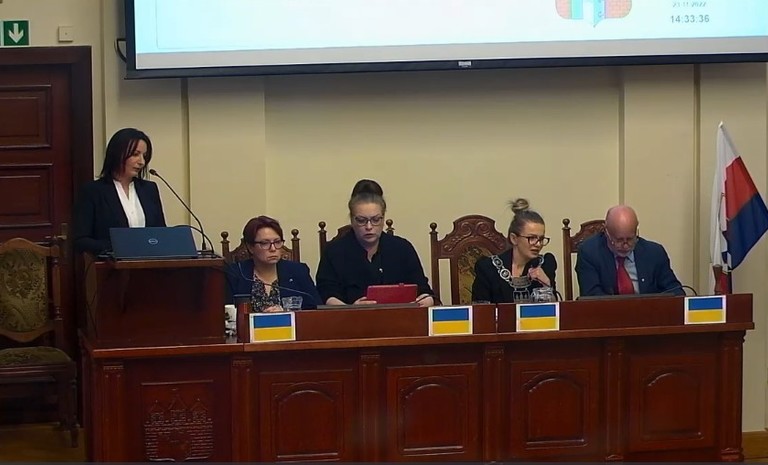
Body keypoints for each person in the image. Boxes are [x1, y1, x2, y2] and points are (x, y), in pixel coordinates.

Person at [316, 179, 435, 306]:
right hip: (350, 317)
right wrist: (351, 309)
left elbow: (423, 291)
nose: (369, 226)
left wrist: (426, 301)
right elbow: (326, 295)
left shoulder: (402, 249)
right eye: (361, 220)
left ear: (383, 219)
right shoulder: (334, 252)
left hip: (399, 316)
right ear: (351, 219)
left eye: (376, 220)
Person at [72, 128, 166, 255]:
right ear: (117, 154)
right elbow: (80, 240)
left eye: (144, 156)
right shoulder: (93, 191)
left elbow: (161, 233)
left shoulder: (149, 189)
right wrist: (119, 246)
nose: (141, 162)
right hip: (111, 264)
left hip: (148, 263)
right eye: (135, 154)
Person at [576, 205, 684, 296]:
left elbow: (675, 291)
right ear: (606, 232)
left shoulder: (655, 253)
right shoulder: (589, 253)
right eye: (619, 240)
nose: (625, 245)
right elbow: (592, 297)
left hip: (648, 312)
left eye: (630, 239)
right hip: (607, 313)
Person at [226, 216, 321, 311]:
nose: (273, 248)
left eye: (277, 242)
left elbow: (316, 308)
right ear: (250, 247)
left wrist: (286, 313)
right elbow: (226, 312)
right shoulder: (235, 274)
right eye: (265, 243)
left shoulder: (298, 271)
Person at [471, 199, 557, 303]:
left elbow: (555, 309)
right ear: (514, 239)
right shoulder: (488, 268)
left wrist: (547, 284)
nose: (538, 244)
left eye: (541, 239)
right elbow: (480, 309)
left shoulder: (545, 264)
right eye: (532, 238)